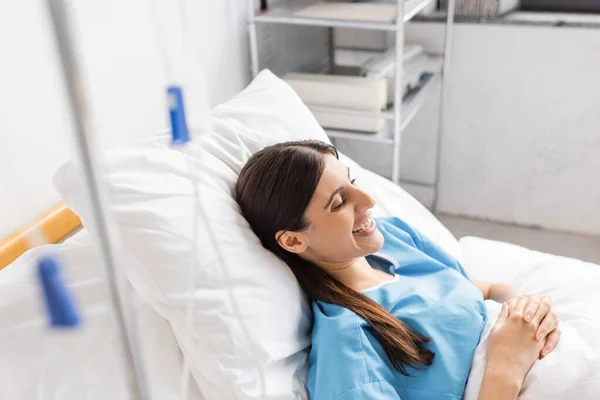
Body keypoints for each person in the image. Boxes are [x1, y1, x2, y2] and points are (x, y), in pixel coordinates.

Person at [235, 140, 561, 400]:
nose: (368, 201)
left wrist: (526, 309)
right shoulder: (350, 347)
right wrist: (505, 366)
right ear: (293, 241)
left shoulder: (391, 238)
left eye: (353, 182)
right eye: (339, 203)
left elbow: (486, 289)